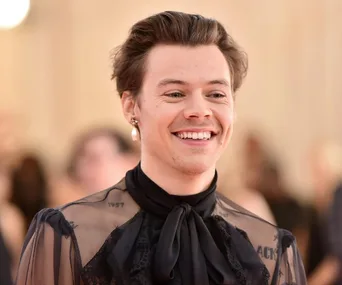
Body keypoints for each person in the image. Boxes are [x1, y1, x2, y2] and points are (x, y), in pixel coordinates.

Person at [15, 11, 307, 285]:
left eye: (216, 94)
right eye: (176, 93)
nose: (199, 110)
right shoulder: (66, 234)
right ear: (131, 106)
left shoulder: (271, 248)